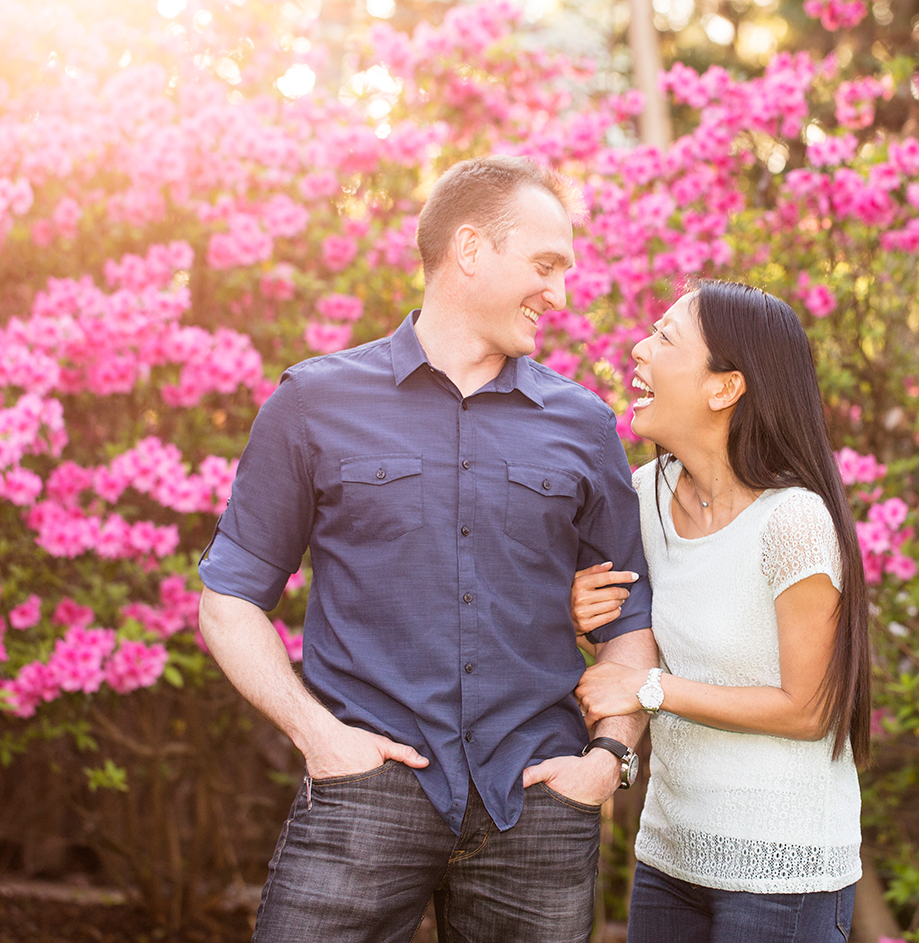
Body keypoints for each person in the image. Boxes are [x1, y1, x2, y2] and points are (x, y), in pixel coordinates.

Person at [197, 155, 657, 943]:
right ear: (469, 249)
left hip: (539, 804)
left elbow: (630, 625)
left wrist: (607, 762)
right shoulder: (313, 402)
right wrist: (320, 739)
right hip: (366, 791)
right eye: (544, 265)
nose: (561, 293)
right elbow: (229, 597)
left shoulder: (584, 425)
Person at [571, 280, 871, 943]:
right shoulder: (642, 497)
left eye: (664, 339)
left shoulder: (792, 521)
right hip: (669, 855)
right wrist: (580, 612)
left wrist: (650, 689)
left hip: (781, 875)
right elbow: (625, 638)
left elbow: (809, 709)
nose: (639, 351)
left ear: (724, 387)